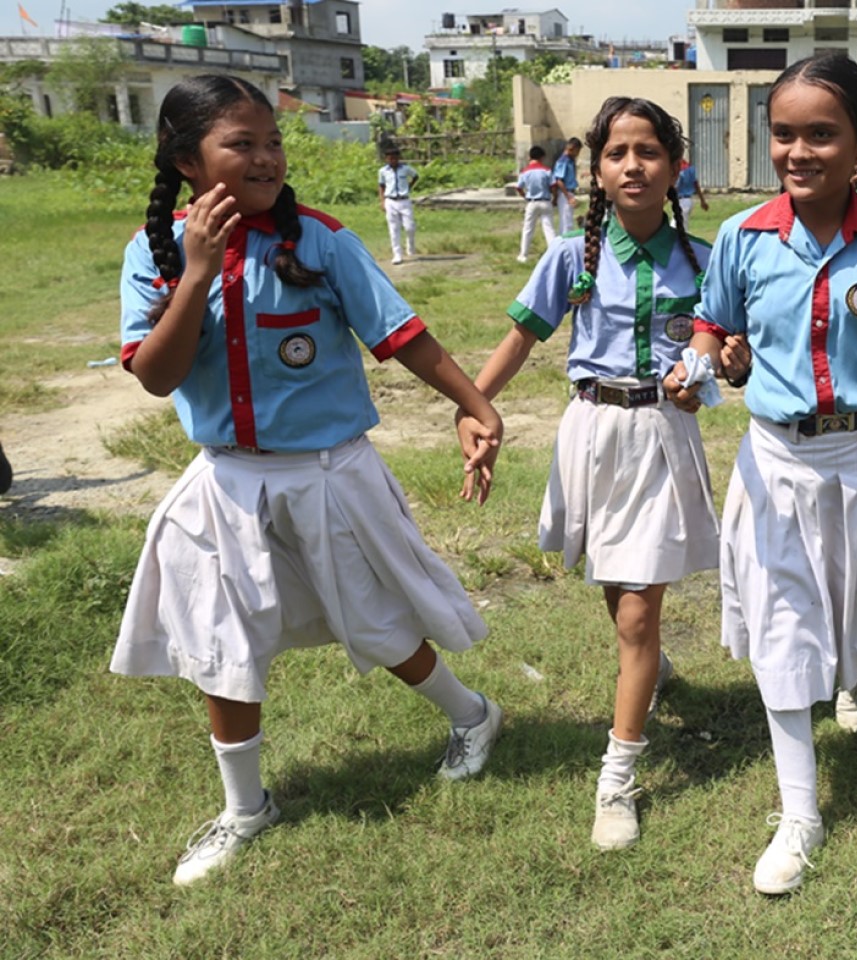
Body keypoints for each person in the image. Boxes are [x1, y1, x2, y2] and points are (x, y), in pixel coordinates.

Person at [111, 75, 506, 887]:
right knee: (223, 645)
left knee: (375, 620)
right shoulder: (154, 254)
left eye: (272, 142)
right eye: (240, 144)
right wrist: (195, 275)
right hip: (224, 483)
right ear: (189, 161)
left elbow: (402, 336)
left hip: (330, 473)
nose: (265, 157)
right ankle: (246, 809)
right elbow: (156, 377)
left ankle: (473, 715)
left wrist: (473, 405)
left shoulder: (321, 240)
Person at [675, 53, 857, 895]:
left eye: (822, 135)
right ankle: (801, 813)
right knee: (785, 628)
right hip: (777, 461)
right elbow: (710, 329)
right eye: (785, 134)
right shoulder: (742, 238)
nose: (800, 151)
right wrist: (700, 366)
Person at [457, 97, 720, 853]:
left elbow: (722, 357)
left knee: (637, 613)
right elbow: (520, 339)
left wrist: (708, 374)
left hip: (662, 436)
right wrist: (473, 409)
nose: (632, 165)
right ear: (595, 170)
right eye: (616, 153)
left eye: (648, 152)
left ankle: (618, 776)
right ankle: (652, 665)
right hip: (593, 434)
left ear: (674, 167)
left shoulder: (703, 261)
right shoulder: (572, 257)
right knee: (617, 591)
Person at [378, 146, 420, 265]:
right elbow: (381, 185)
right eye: (390, 159)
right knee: (393, 228)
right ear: (386, 159)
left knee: (409, 227)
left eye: (395, 158)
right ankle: (397, 254)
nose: (392, 161)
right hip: (390, 201)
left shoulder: (405, 169)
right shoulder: (383, 171)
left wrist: (408, 187)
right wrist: (382, 201)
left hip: (404, 200)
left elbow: (416, 176)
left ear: (398, 158)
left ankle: (410, 244)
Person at [516, 145, 557, 263]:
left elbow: (519, 187)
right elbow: (553, 186)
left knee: (527, 229)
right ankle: (553, 253)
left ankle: (523, 255)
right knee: (549, 229)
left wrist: (525, 196)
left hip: (532, 202)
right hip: (545, 201)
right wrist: (554, 198)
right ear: (542, 157)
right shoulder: (546, 170)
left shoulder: (525, 171)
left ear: (530, 157)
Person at [552, 136, 582, 234]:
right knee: (566, 223)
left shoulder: (570, 160)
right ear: (572, 148)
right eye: (577, 151)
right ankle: (565, 244)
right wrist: (568, 197)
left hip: (569, 193)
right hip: (565, 194)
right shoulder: (563, 161)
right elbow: (559, 180)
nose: (578, 154)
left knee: (567, 220)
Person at [675, 157, 709, 225]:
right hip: (688, 201)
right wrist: (702, 201)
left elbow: (675, 188)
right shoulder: (690, 169)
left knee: (677, 226)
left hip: (682, 201)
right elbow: (696, 184)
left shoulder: (680, 171)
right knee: (680, 225)